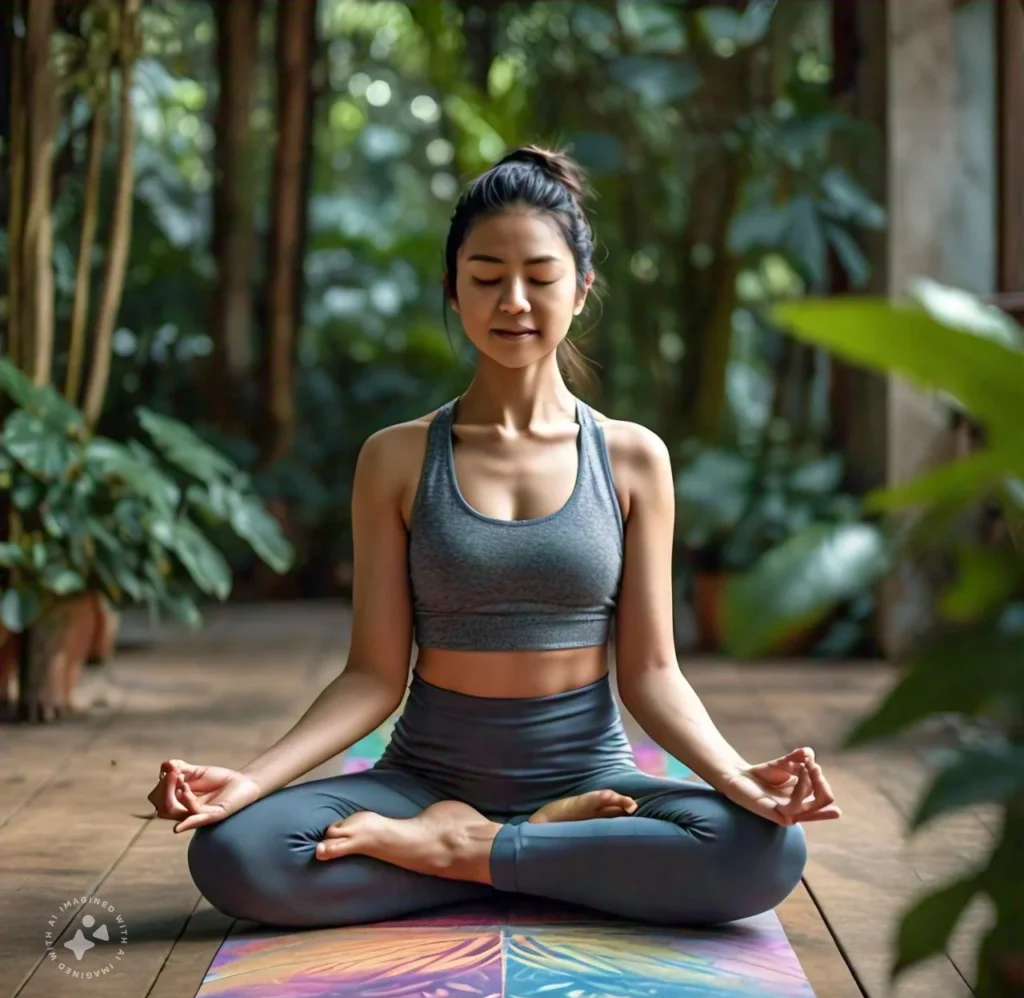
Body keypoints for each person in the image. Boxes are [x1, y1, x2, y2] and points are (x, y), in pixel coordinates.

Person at [148, 145, 840, 931]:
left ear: (580, 290)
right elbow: (373, 676)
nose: (513, 300)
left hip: (588, 775)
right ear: (452, 289)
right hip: (421, 777)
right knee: (235, 852)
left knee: (766, 850)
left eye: (540, 278)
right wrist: (251, 783)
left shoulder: (634, 458)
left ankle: (458, 852)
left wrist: (738, 777)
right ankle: (530, 853)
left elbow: (651, 673)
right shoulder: (396, 458)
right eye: (485, 277)